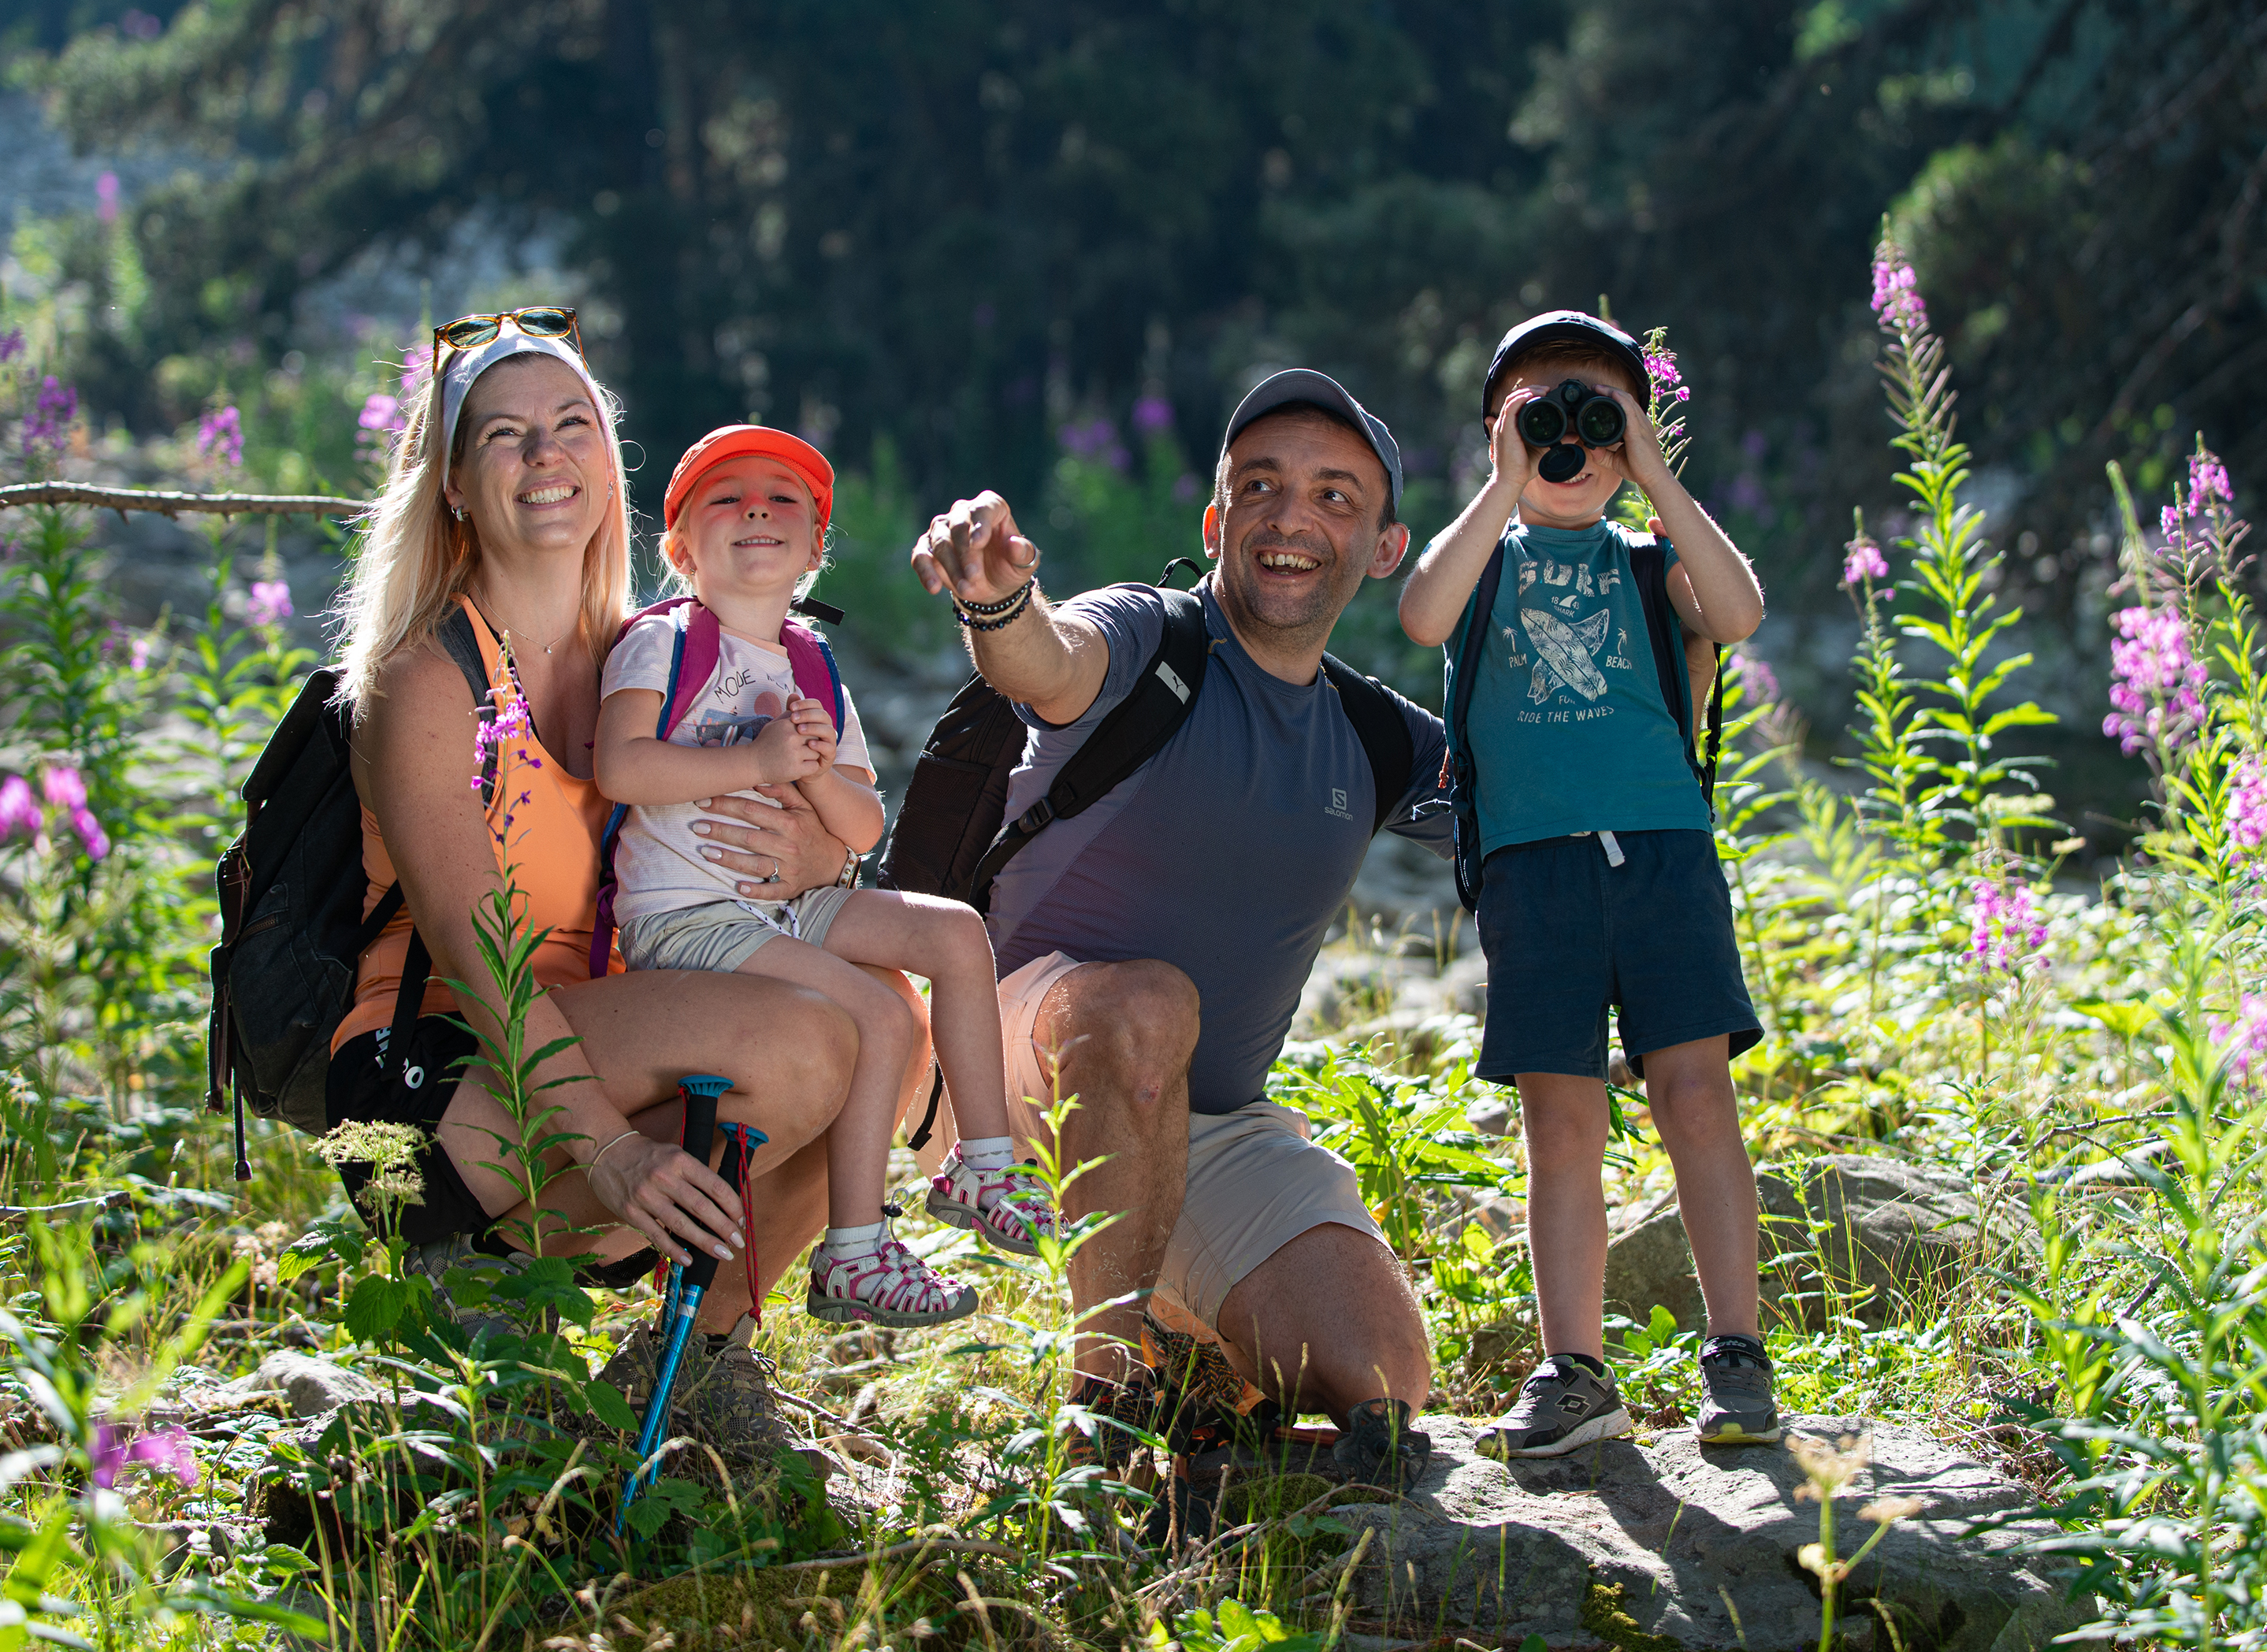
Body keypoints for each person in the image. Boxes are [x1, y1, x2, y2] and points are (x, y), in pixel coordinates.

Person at [329, 305, 876, 1462]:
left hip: (596, 1048)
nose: (544, 456)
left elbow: (789, 837)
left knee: (892, 1026)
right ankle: (466, 1285)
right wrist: (613, 1152)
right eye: (503, 436)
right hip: (438, 1091)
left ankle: (702, 1384)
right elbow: (479, 959)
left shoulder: (651, 655)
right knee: (815, 1042)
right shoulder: (427, 678)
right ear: (456, 487)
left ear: (609, 464)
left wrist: (818, 855)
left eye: (571, 424)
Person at [907, 369, 1452, 1487]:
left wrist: (1668, 646)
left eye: (1336, 498)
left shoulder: (1378, 736)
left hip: (1197, 1115)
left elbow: (1547, 814)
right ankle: (1102, 1407)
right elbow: (1044, 661)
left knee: (1382, 1379)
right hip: (997, 1063)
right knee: (1149, 1003)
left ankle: (1190, 1379)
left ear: (1387, 549)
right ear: (1216, 522)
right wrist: (996, 602)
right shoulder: (1146, 640)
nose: (1293, 517)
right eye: (1261, 486)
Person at [1396, 310, 1775, 1458]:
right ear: (1501, 433)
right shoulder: (1487, 562)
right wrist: (1504, 484)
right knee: (1559, 1123)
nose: (1575, 440)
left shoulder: (1653, 563)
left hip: (1663, 853)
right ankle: (1576, 1369)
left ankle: (1738, 1354)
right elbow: (1419, 614)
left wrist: (1650, 469)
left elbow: (1743, 614)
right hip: (1534, 868)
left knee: (1696, 1099)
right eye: (1543, 413)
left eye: (1597, 418)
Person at [593, 425, 1055, 1329]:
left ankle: (983, 1160)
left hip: (786, 905)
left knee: (954, 933)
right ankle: (855, 1249)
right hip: (687, 917)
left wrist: (805, 774)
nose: (756, 507)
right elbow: (620, 769)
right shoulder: (662, 643)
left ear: (813, 548)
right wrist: (757, 758)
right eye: (726, 497)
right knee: (882, 1011)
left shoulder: (808, 659)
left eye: (784, 499)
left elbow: (861, 821)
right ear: (680, 547)